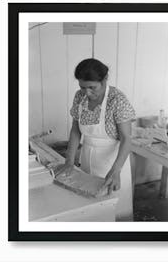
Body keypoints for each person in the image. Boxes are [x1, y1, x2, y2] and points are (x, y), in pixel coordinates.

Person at [56, 58, 136, 221]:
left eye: (92, 87)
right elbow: (75, 130)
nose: (87, 93)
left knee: (113, 210)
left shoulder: (117, 100)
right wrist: (69, 161)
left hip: (113, 162)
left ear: (105, 79)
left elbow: (127, 139)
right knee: (90, 209)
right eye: (82, 87)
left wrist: (115, 171)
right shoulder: (80, 97)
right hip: (88, 157)